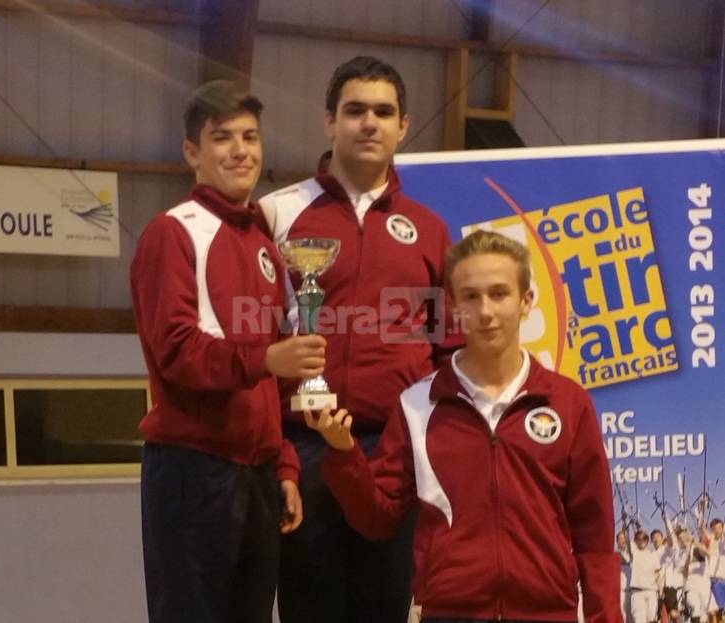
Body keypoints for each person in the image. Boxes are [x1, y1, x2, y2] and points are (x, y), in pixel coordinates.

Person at [305, 229, 620, 622]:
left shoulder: (568, 402)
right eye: (471, 296)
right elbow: (377, 518)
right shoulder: (419, 404)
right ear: (453, 306)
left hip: (547, 614)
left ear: (526, 302)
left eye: (499, 293)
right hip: (450, 613)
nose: (485, 311)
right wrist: (343, 452)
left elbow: (595, 535)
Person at [259, 56, 460, 623]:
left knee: (384, 607)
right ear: (329, 121)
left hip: (392, 453)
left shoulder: (429, 227)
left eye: (382, 112)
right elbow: (255, 340)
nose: (368, 123)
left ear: (403, 126)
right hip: (305, 447)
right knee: (308, 608)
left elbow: (450, 346)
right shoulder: (279, 213)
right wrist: (280, 458)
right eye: (354, 111)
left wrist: (437, 445)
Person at [130, 80, 327, 623]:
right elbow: (176, 350)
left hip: (258, 473)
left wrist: (285, 465)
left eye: (250, 137)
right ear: (192, 151)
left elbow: (276, 378)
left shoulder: (265, 246)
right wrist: (264, 359)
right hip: (194, 470)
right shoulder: (173, 233)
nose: (240, 150)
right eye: (222, 138)